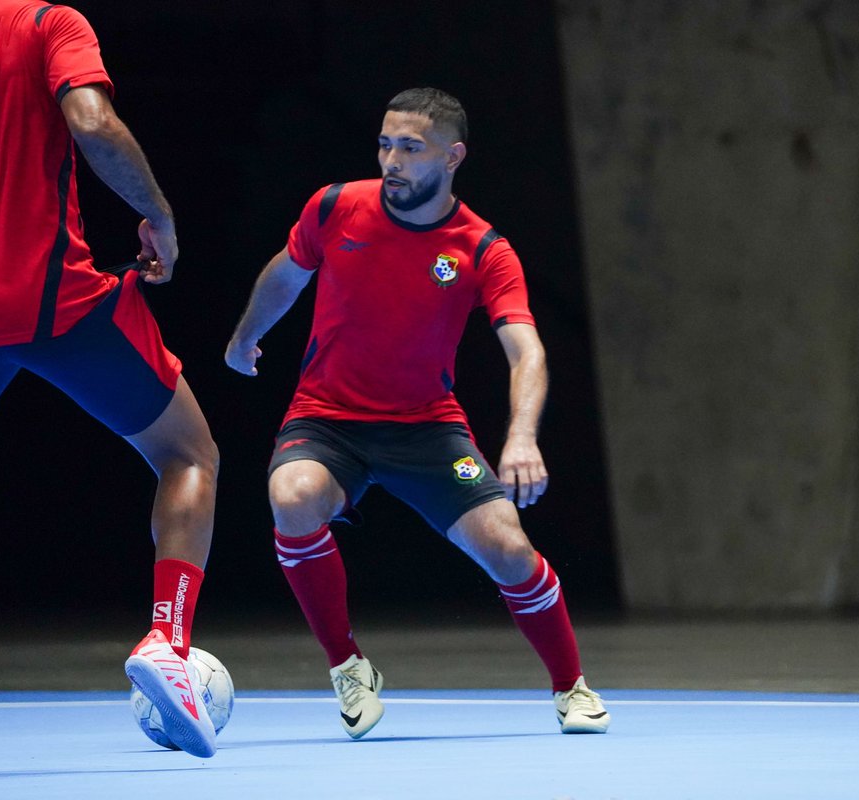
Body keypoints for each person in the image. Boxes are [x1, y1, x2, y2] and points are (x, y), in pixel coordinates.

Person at [0, 1, 219, 757]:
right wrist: (158, 213)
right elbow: (94, 123)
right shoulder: (49, 24)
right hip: (58, 301)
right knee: (189, 455)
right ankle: (168, 638)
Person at [225, 87, 610, 739]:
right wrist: (244, 337)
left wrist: (520, 437)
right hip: (328, 420)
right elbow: (287, 273)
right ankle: (348, 666)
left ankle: (570, 685)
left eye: (410, 148)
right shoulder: (334, 206)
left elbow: (527, 351)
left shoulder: (483, 248)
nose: (391, 160)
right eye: (384, 144)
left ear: (452, 157)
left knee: (508, 546)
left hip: (429, 434)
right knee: (291, 496)